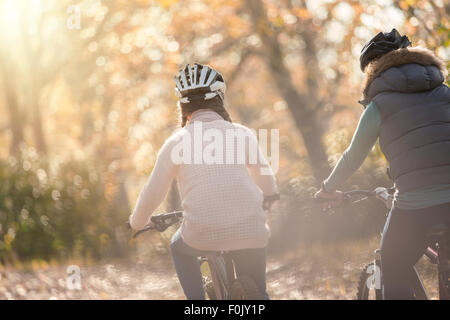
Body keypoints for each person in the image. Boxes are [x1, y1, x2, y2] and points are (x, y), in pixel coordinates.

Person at [314, 29, 450, 299]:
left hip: (415, 205)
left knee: (393, 266)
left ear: (373, 70)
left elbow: (352, 157)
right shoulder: (445, 93)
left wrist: (327, 188)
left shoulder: (379, 106)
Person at [129, 63, 279, 300]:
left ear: (183, 106)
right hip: (251, 227)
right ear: (219, 98)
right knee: (259, 294)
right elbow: (265, 177)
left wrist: (137, 222)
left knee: (178, 248)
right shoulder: (242, 134)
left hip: (201, 232)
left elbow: (152, 193)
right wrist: (271, 196)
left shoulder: (176, 143)